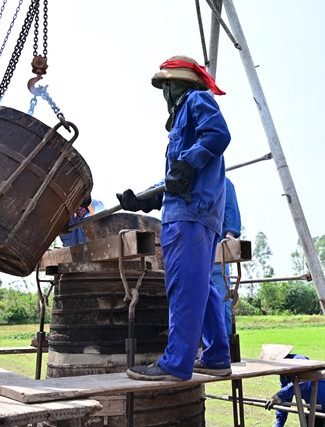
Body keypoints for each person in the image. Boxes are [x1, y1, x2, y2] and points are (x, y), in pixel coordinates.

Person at [118, 55, 231, 381]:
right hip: (197, 212)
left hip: (190, 216)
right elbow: (176, 180)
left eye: (165, 86)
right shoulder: (186, 117)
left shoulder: (195, 100)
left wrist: (188, 162)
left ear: (175, 85)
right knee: (201, 288)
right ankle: (217, 356)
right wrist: (143, 200)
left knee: (183, 286)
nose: (164, 94)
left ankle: (176, 363)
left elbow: (218, 134)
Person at [262, 344, 325, 427]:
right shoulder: (284, 375)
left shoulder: (300, 361)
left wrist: (279, 395)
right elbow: (284, 401)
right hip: (315, 407)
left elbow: (303, 383)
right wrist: (279, 424)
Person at [211, 176, 241, 337]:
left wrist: (230, 235)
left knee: (220, 296)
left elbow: (231, 209)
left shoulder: (222, 181)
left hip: (215, 247)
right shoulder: (188, 177)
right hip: (192, 246)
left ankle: (222, 342)